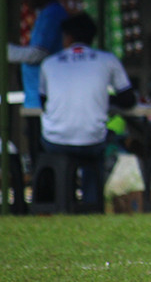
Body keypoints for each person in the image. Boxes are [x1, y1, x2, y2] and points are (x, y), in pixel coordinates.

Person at [38, 13, 136, 207]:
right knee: (100, 144)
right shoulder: (107, 60)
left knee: (50, 145)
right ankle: (92, 204)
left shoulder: (49, 63)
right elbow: (128, 99)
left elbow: (44, 102)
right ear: (92, 37)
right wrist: (102, 98)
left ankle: (59, 202)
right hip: (92, 141)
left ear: (67, 37)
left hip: (54, 141)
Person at [8, 0, 69, 162]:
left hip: (43, 100)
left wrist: (8, 52)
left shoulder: (53, 14)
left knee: (43, 157)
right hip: (36, 97)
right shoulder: (46, 14)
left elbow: (39, 53)